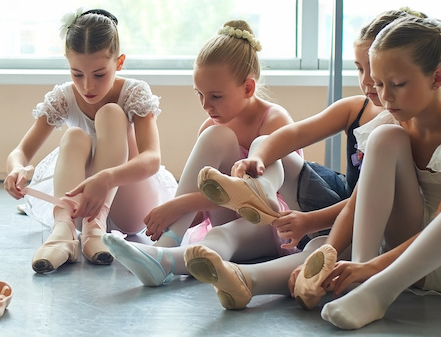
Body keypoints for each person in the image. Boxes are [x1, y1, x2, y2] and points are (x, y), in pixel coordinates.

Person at [181, 8, 418, 308]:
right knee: (270, 144)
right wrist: (259, 159)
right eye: (359, 68)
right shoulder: (355, 108)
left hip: (367, 219)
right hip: (339, 198)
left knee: (323, 250)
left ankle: (245, 279)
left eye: (374, 69)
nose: (368, 80)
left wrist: (310, 221)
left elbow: (368, 200)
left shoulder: (403, 124)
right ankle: (260, 190)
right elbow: (294, 135)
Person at [314, 15, 441, 329]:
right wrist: (339, 256)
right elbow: (358, 203)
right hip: (409, 262)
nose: (385, 96)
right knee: (385, 137)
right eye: (380, 84)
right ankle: (358, 279)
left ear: (437, 78)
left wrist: (376, 269)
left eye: (397, 85)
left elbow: (440, 226)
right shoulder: (389, 124)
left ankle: (377, 290)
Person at [102, 20, 298, 286]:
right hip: (225, 217)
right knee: (215, 134)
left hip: (269, 222)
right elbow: (207, 200)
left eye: (216, 96)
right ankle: (169, 242)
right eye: (200, 95)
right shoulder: (212, 126)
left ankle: (166, 257)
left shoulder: (275, 121)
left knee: (223, 234)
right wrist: (176, 214)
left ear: (248, 88)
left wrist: (178, 204)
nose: (206, 106)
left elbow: (259, 200)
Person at [4, 8, 175, 273]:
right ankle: (65, 231)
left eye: (99, 75)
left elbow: (152, 159)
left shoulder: (133, 92)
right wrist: (16, 168)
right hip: (79, 207)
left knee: (112, 113)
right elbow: (21, 152)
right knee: (74, 134)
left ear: (119, 63)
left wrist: (106, 177)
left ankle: (97, 227)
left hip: (129, 202)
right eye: (77, 74)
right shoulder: (64, 97)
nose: (87, 87)